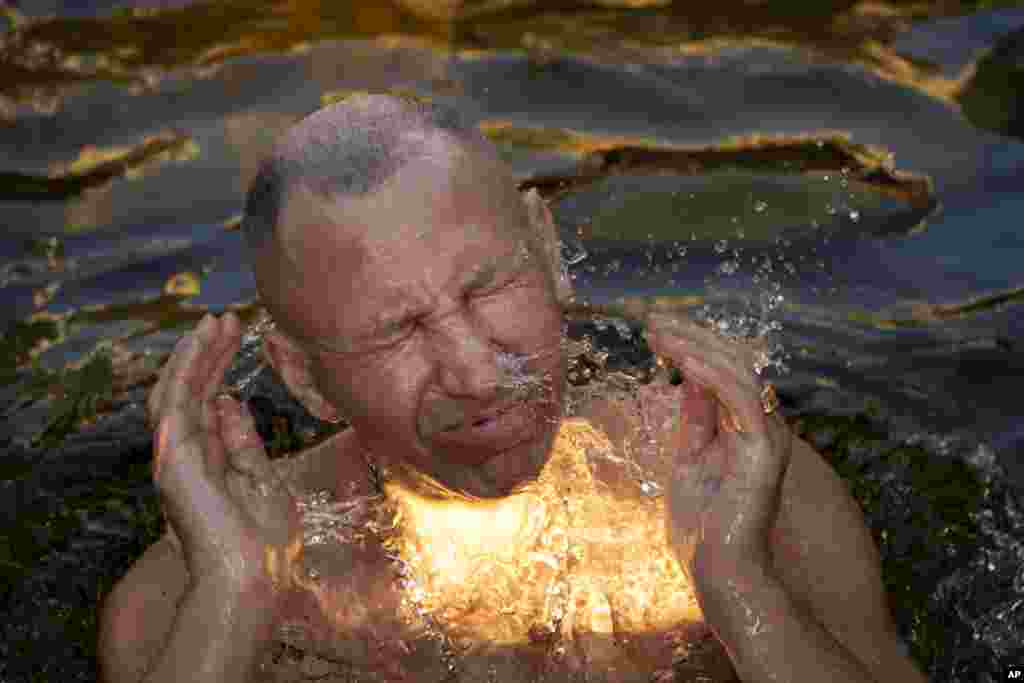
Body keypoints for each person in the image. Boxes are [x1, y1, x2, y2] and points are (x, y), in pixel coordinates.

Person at [98, 94, 927, 683]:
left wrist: (740, 586)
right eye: (398, 332)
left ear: (549, 251)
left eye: (487, 289)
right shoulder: (192, 600)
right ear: (304, 376)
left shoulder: (740, 484)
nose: (476, 370)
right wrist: (238, 599)